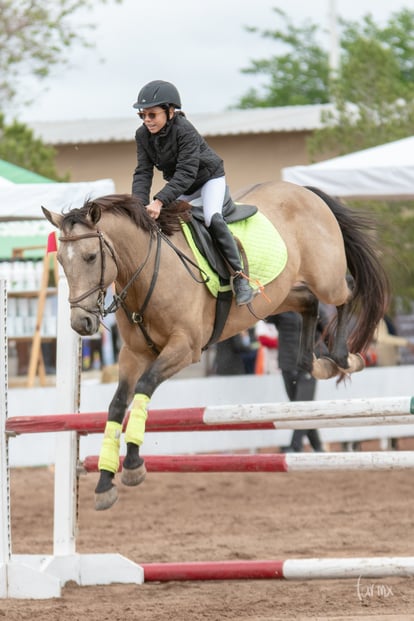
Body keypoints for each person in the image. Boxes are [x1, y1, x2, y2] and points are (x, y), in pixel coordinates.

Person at [131, 79, 254, 306]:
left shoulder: (184, 130)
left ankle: (240, 277)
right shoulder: (142, 135)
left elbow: (187, 172)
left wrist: (158, 201)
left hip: (208, 180)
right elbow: (143, 172)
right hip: (183, 187)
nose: (147, 120)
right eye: (143, 116)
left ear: (170, 111)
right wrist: (137, 206)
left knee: (212, 218)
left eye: (152, 115)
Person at [267, 310, 328, 453]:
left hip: (309, 365)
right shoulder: (282, 309)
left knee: (302, 407)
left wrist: (327, 355)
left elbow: (328, 333)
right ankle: (318, 446)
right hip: (287, 364)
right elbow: (266, 316)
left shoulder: (315, 306)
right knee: (298, 408)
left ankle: (295, 445)